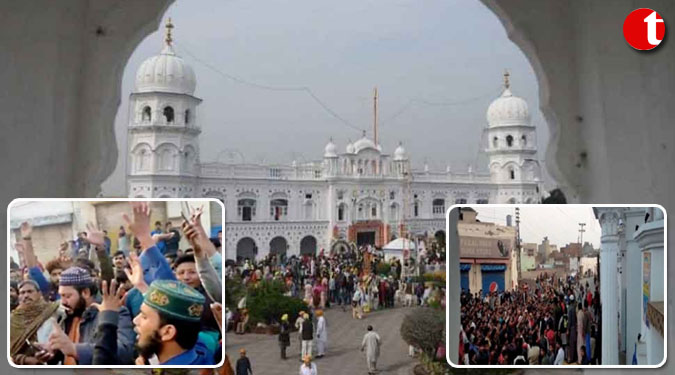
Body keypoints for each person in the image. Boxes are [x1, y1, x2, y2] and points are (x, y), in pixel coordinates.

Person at [10, 280, 63, 365]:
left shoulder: (53, 311)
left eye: (30, 291)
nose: (26, 295)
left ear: (39, 294)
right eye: (22, 293)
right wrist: (27, 360)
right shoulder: (13, 319)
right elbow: (10, 353)